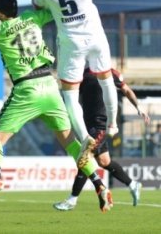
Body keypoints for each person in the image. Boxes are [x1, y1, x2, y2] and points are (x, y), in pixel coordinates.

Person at [0, 0, 113, 212]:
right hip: (50, 87)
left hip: (27, 89)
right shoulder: (32, 18)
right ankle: (99, 185)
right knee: (72, 144)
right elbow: (53, 9)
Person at [29, 0, 155, 155]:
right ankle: (113, 125)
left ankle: (85, 137)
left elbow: (38, 5)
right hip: (95, 37)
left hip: (71, 44)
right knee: (106, 80)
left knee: (70, 95)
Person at [54, 67, 150, 211]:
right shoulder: (81, 73)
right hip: (87, 124)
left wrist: (138, 107)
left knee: (85, 158)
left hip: (101, 125)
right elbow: (71, 95)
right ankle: (132, 184)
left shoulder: (110, 73)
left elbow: (127, 90)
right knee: (104, 161)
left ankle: (72, 199)